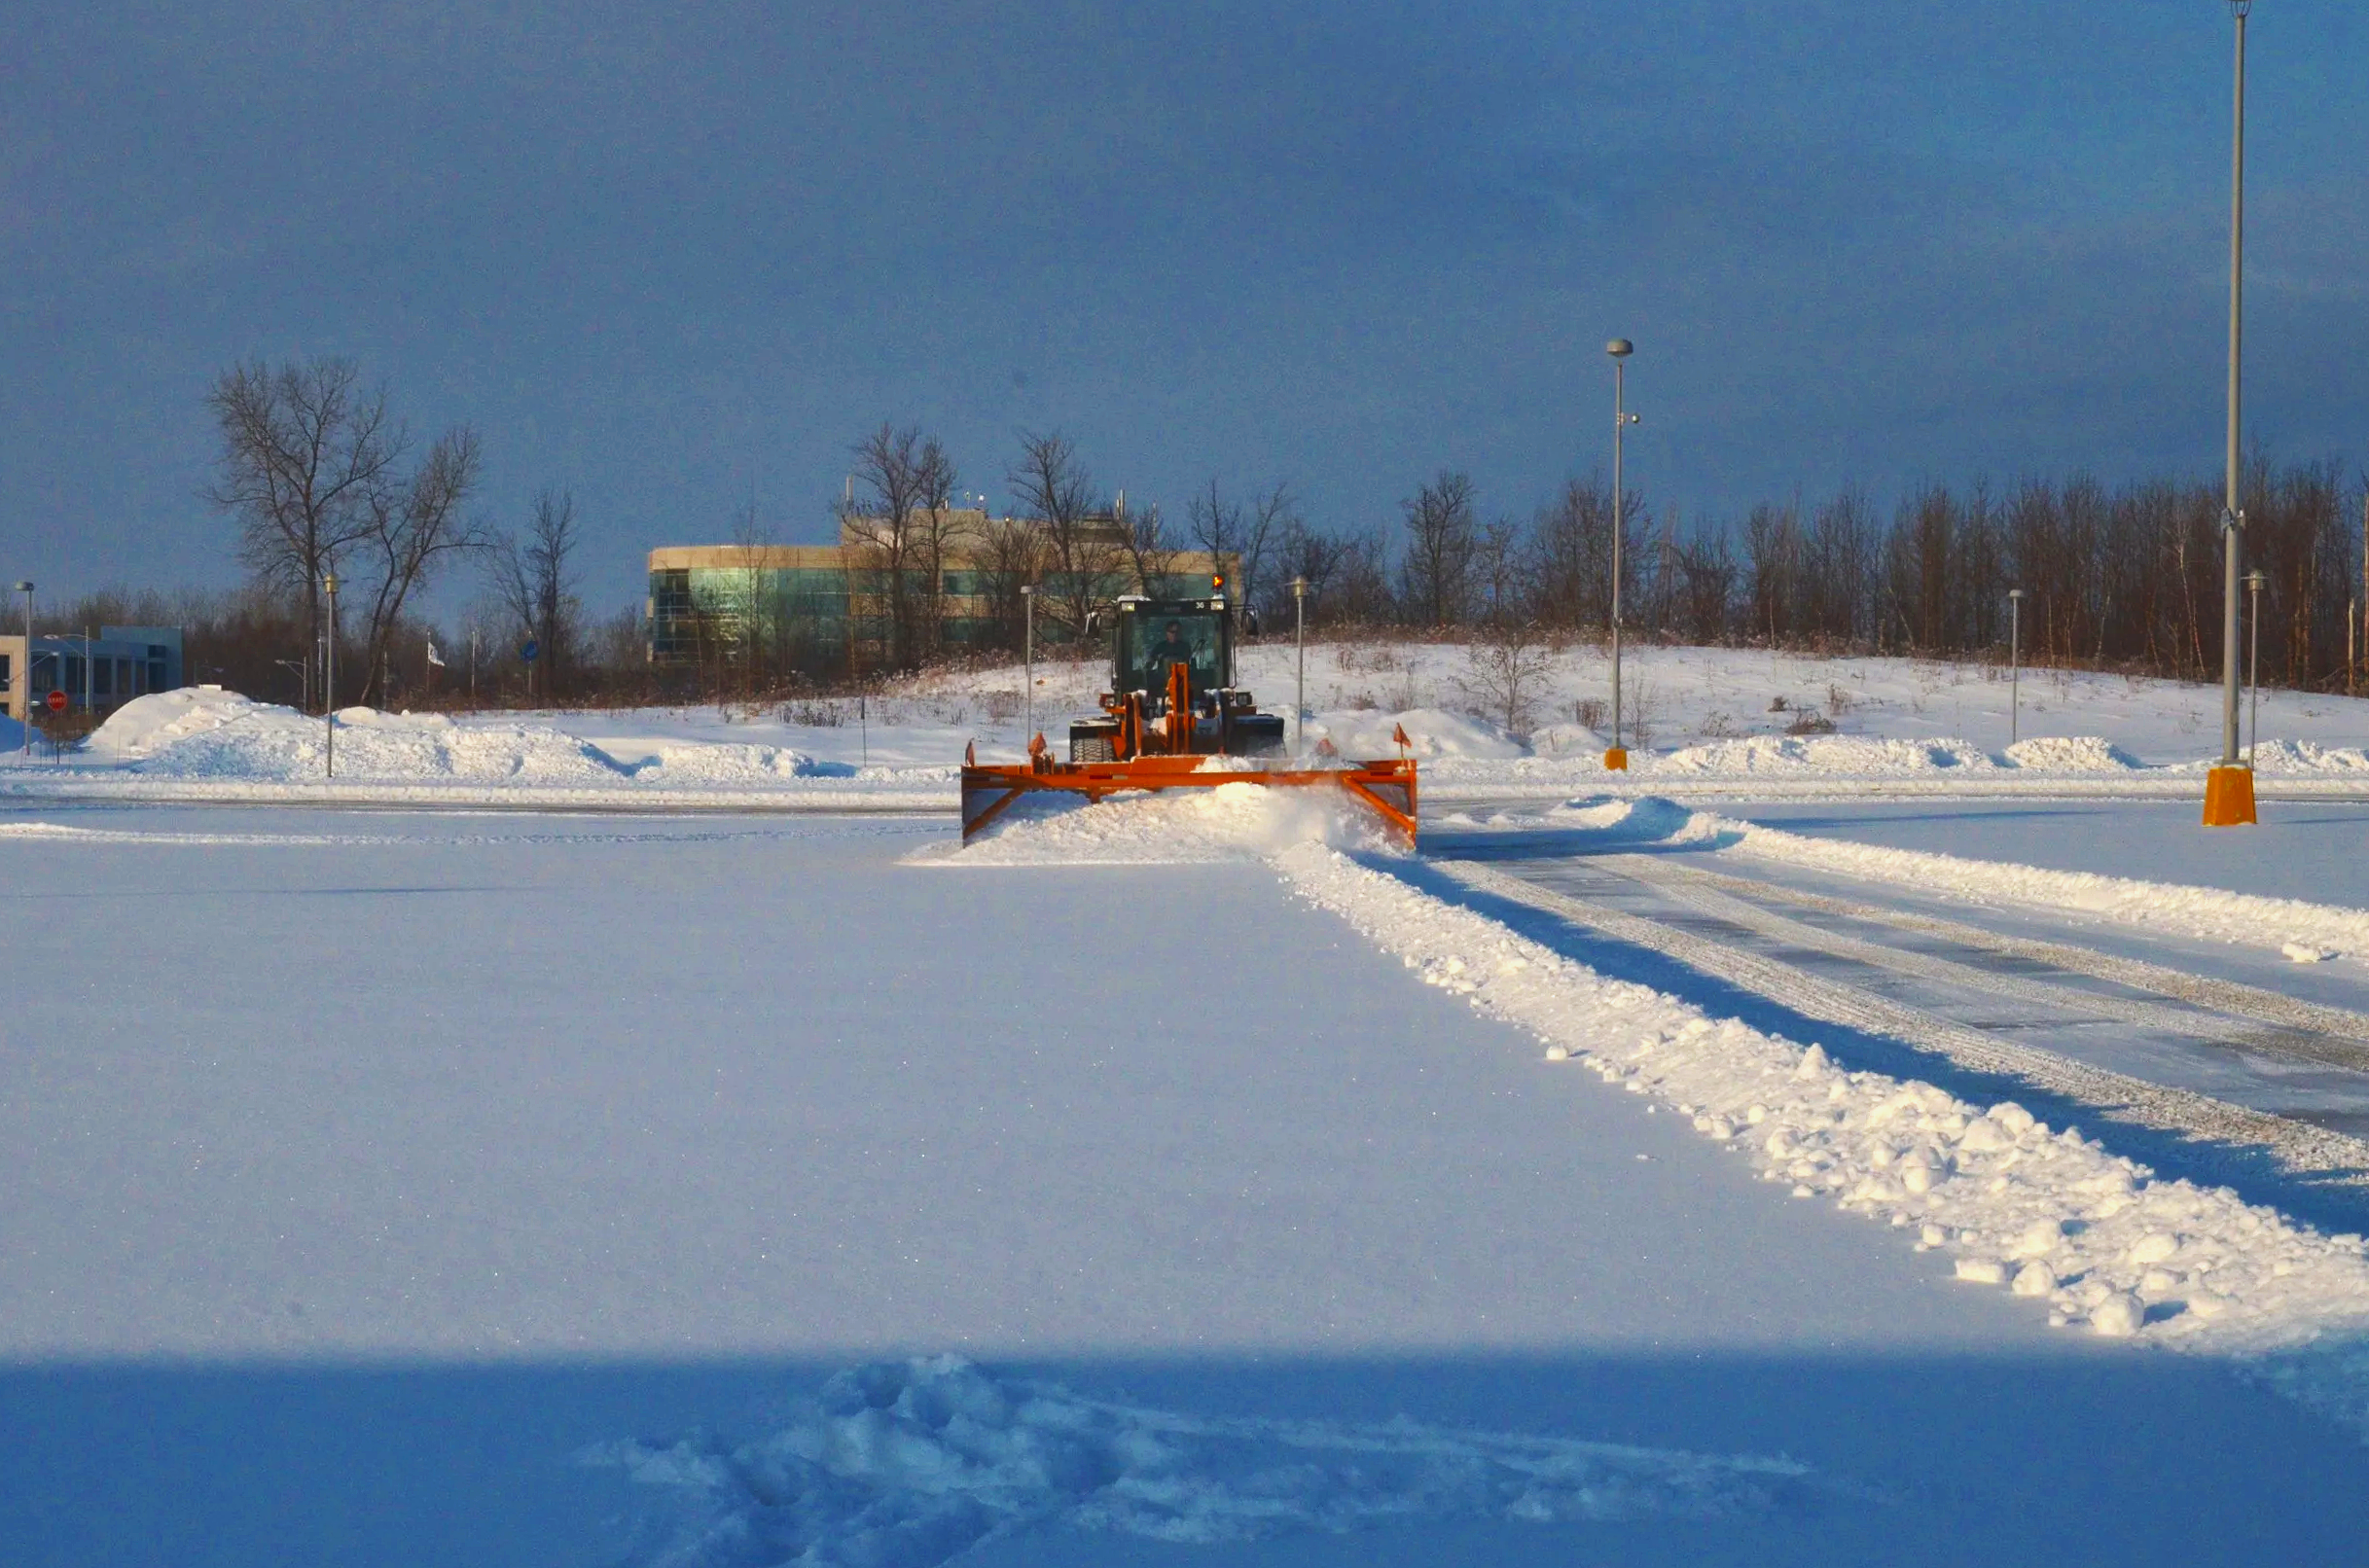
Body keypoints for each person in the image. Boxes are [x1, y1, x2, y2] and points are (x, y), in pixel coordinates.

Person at [1141, 620, 1200, 689]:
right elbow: (1151, 662)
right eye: (1172, 632)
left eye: (1177, 632)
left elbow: (1187, 661)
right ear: (1167, 633)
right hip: (1162, 683)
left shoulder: (1185, 647)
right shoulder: (1160, 647)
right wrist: (1146, 669)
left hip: (1182, 682)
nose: (1174, 634)